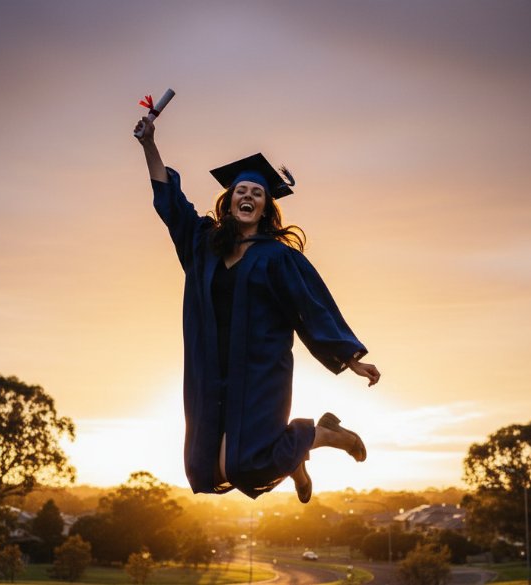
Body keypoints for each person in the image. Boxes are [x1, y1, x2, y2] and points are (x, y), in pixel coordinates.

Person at [135, 117, 381, 502]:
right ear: (230, 200)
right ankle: (298, 458)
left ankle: (323, 435)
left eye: (257, 193)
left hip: (260, 369)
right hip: (210, 370)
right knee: (207, 470)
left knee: (246, 466)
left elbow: (313, 307)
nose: (247, 196)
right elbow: (171, 204)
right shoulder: (204, 245)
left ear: (265, 207)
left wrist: (351, 358)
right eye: (241, 190)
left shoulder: (277, 258)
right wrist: (149, 144)